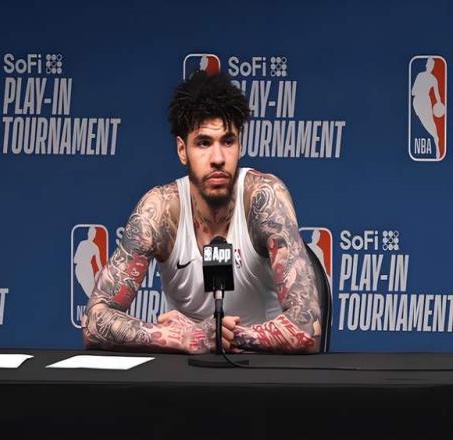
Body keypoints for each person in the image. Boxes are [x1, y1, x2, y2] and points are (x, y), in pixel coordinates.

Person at [82, 70, 322, 354]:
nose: (218, 158)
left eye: (228, 141)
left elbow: (308, 328)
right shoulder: (160, 211)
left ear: (240, 145)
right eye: (204, 143)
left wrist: (219, 337)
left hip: (261, 368)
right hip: (185, 371)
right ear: (182, 150)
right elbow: (94, 321)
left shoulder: (263, 199)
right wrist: (182, 338)